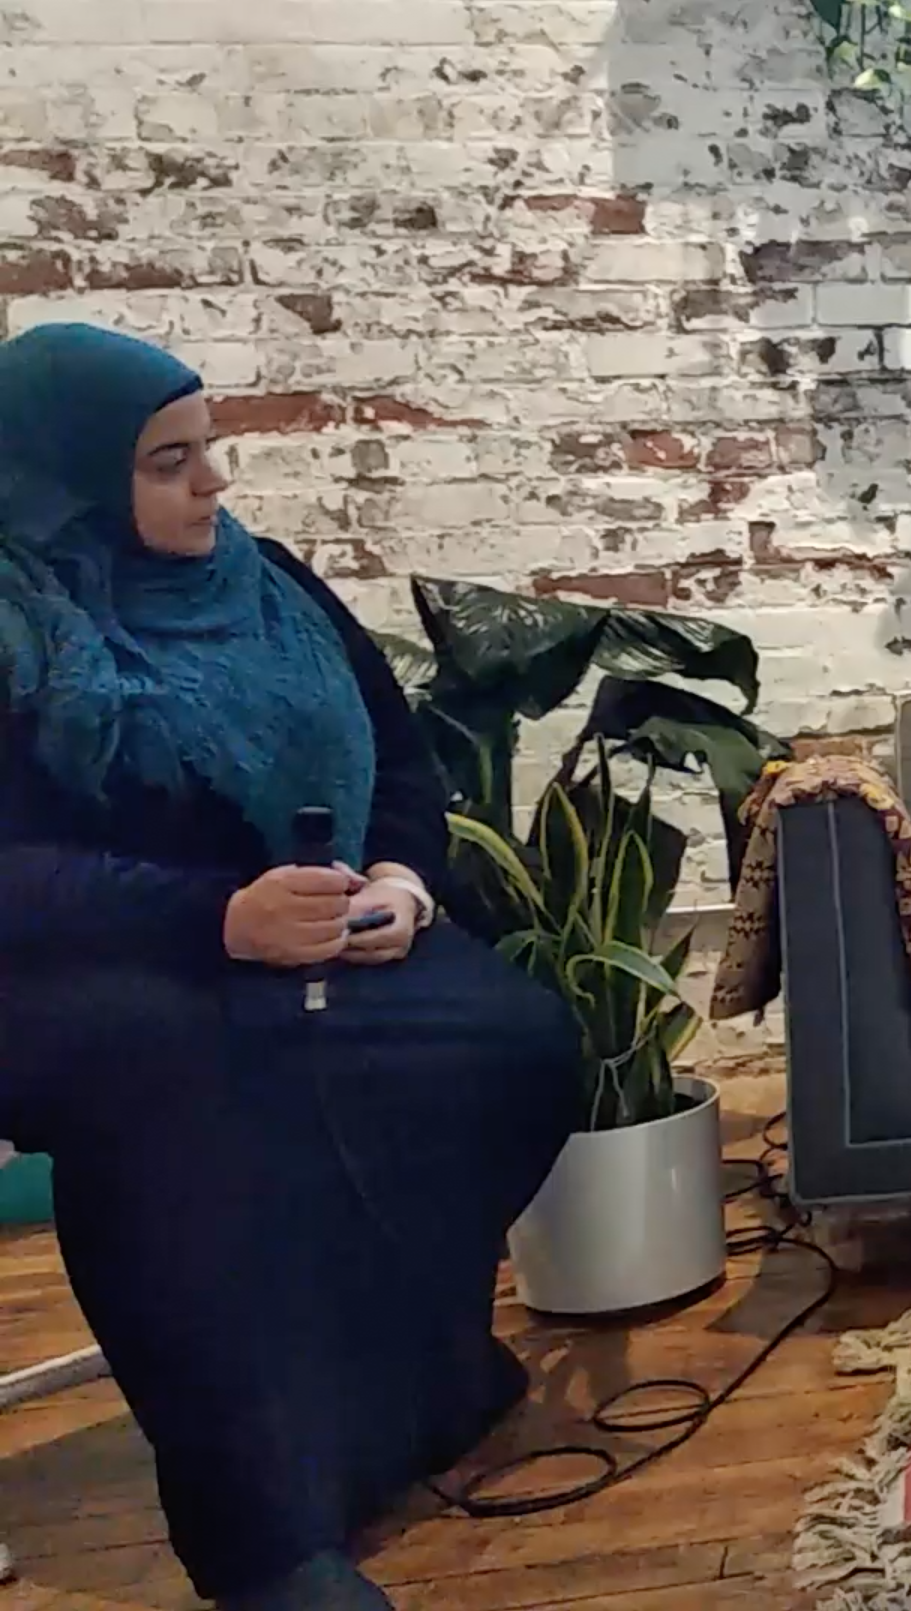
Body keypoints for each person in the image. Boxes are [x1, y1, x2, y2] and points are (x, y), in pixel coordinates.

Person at [0, 324, 578, 1611]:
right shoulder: (19, 631)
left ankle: (413, 1381)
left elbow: (403, 764)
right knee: (190, 1109)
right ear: (73, 484)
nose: (213, 486)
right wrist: (218, 918)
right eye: (167, 463)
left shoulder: (276, 587)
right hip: (92, 975)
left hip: (312, 935)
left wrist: (401, 883)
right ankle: (260, 1534)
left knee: (512, 1045)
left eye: (211, 451)